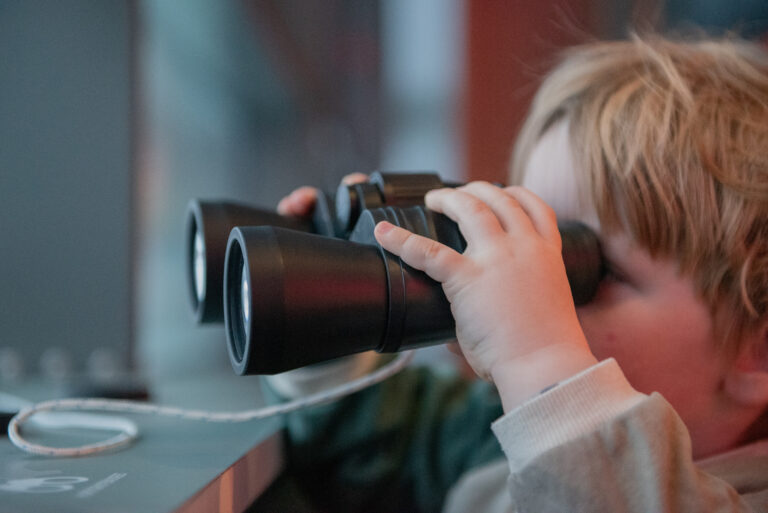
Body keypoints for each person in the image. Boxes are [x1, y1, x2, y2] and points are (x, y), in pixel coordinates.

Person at [269, 34, 768, 512]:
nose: (533, 284)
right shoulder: (502, 447)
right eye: (532, 235)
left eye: (594, 268)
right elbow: (378, 453)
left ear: (757, 353)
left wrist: (540, 355)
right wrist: (335, 299)